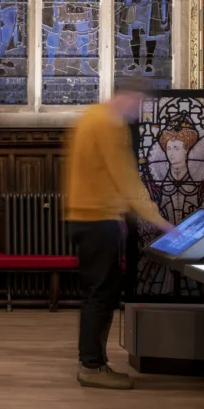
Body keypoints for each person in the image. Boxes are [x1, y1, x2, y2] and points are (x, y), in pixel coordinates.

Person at [63, 77, 173, 389]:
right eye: (139, 102)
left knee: (98, 292)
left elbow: (102, 176)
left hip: (87, 217)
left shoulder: (90, 117)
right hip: (98, 220)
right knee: (102, 295)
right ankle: (92, 366)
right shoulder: (109, 124)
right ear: (129, 96)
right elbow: (124, 177)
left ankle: (94, 361)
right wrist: (160, 221)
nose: (139, 111)